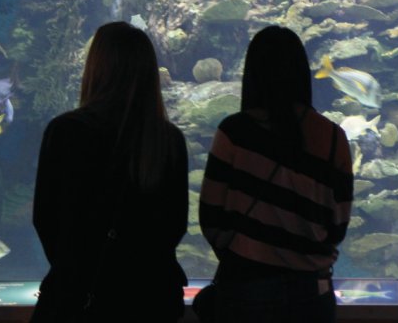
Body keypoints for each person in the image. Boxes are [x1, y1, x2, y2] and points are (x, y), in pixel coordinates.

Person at [31, 22, 188, 323]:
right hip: (149, 301)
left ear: (96, 67)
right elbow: (174, 225)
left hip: (78, 297)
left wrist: (76, 268)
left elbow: (46, 219)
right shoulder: (168, 140)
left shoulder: (65, 132)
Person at [199, 25, 353, 323]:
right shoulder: (333, 138)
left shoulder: (233, 132)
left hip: (245, 290)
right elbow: (337, 226)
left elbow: (211, 218)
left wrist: (247, 256)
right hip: (311, 295)